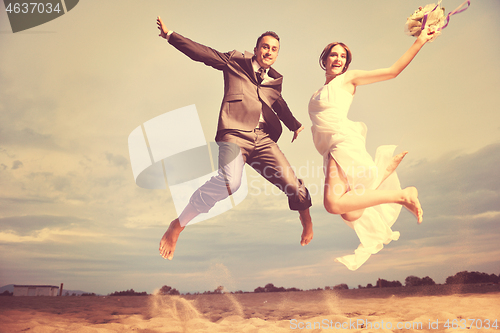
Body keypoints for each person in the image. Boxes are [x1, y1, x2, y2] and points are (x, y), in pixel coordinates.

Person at [156, 17, 313, 260]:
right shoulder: (235, 61)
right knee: (231, 182)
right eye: (265, 46)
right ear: (257, 47)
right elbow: (204, 54)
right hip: (234, 133)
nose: (269, 52)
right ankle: (178, 225)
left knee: (292, 183)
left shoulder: (275, 81)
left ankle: (305, 217)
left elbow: (278, 104)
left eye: (274, 49)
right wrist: (171, 36)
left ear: (277, 54)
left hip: (262, 139)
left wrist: (294, 125)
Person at [308, 27, 435, 270]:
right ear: (324, 59)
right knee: (350, 213)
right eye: (334, 55)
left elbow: (392, 71)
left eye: (343, 57)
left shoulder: (348, 79)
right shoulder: (317, 92)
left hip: (342, 142)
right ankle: (382, 176)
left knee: (333, 205)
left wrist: (420, 40)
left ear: (346, 65)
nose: (338, 59)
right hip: (330, 149)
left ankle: (401, 195)